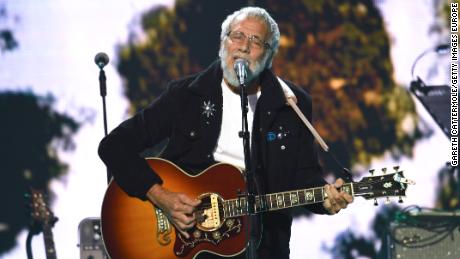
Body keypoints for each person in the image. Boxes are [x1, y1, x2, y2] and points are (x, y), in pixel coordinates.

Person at [98, 6, 353, 259]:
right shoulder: (186, 95)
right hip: (189, 243)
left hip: (265, 246)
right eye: (237, 36)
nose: (243, 46)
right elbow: (114, 145)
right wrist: (160, 195)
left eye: (256, 41)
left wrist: (325, 201)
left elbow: (304, 178)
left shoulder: (292, 105)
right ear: (223, 43)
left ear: (269, 56)